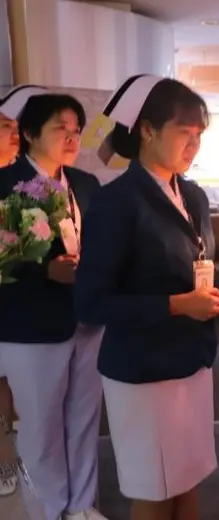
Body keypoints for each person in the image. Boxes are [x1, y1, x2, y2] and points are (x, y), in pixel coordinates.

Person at [75, 75, 219, 520]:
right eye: (185, 132)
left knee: (188, 480)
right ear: (147, 130)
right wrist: (176, 305)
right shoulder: (116, 202)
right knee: (156, 491)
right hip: (144, 372)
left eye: (199, 135)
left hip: (192, 361)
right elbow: (90, 302)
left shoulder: (193, 196)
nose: (194, 144)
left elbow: (196, 274)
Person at [0, 93, 105, 520]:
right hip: (31, 325)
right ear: (29, 134)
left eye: (76, 129)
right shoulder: (6, 186)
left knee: (83, 417)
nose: (71, 137)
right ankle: (49, 508)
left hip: (87, 318)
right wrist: (44, 273)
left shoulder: (86, 184)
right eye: (60, 128)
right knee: (41, 426)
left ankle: (81, 504)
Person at [0, 84, 47, 498]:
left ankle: (20, 459)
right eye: (3, 126)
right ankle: (3, 461)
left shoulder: (32, 183)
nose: (12, 133)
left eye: (16, 127)